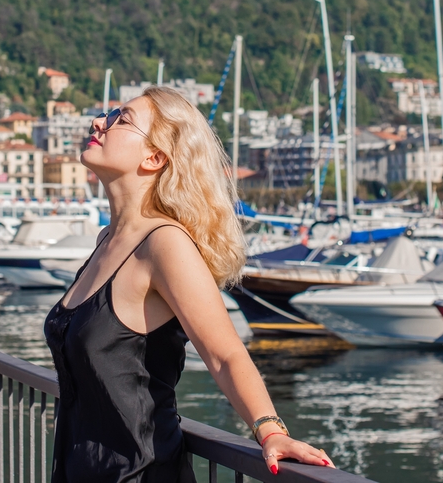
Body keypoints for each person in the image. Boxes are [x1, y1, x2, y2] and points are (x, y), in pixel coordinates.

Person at [44, 86, 334, 482]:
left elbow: (225, 354)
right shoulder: (106, 241)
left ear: (155, 157)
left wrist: (269, 429)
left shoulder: (164, 244)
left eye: (120, 119)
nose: (99, 122)